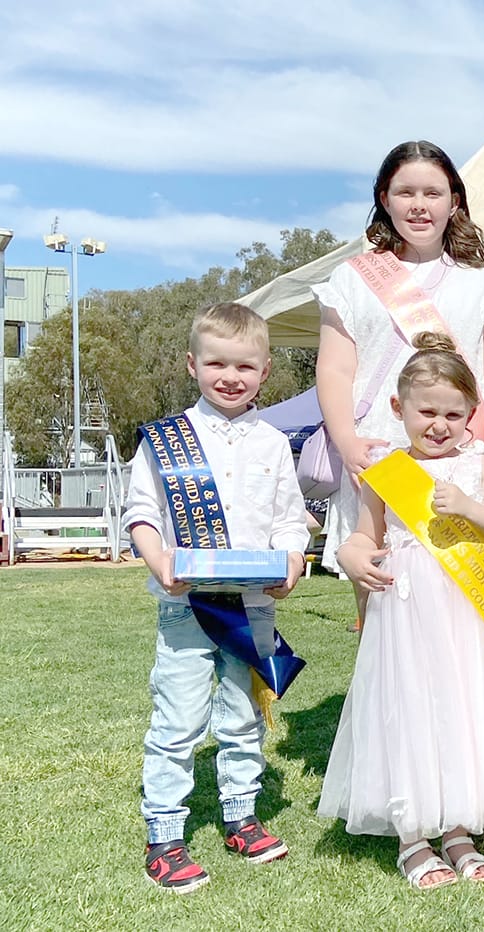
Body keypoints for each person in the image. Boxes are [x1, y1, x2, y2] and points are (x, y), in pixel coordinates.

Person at [318, 333, 484, 889]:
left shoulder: (479, 467)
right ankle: (412, 835)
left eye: (454, 413)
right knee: (410, 710)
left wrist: (470, 507)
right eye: (427, 411)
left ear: (472, 415)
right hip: (405, 611)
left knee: (461, 709)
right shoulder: (385, 473)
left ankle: (458, 829)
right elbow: (362, 536)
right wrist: (355, 559)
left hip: (465, 612)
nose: (440, 424)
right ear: (399, 408)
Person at [124, 303, 309, 893]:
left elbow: (289, 522)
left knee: (244, 718)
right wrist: (162, 565)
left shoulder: (276, 444)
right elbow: (142, 514)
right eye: (217, 363)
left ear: (266, 370)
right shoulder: (165, 439)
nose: (231, 377)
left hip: (252, 607)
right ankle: (165, 835)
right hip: (185, 608)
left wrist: (293, 563)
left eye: (245, 366)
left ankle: (241, 816)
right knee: (178, 720)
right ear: (192, 364)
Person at [314, 140, 484, 629]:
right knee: (381, 596)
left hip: (463, 457)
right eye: (406, 192)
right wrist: (347, 442)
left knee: (464, 611)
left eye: (433, 192)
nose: (419, 205)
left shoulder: (483, 285)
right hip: (381, 453)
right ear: (384, 198)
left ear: (455, 201)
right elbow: (335, 370)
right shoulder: (350, 279)